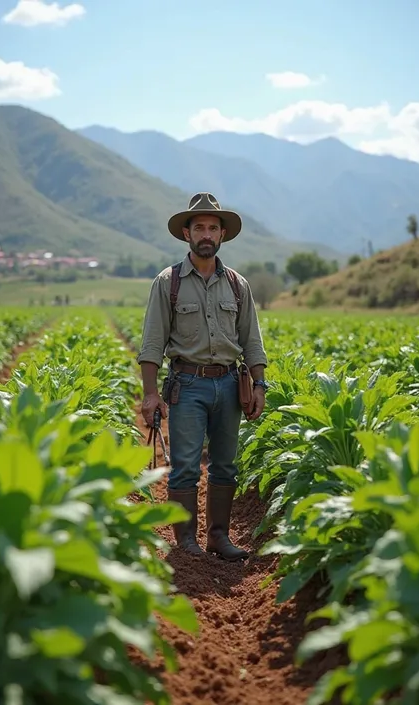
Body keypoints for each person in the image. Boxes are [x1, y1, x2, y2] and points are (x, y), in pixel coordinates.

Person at [137, 192, 268, 561]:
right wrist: (150, 395)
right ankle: (187, 542)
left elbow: (252, 342)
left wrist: (259, 384)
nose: (206, 234)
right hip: (187, 385)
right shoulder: (169, 282)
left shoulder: (238, 285)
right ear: (186, 233)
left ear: (222, 234)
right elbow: (151, 344)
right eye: (199, 228)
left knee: (226, 464)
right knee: (186, 467)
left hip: (229, 385)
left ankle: (219, 537)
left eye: (213, 227)